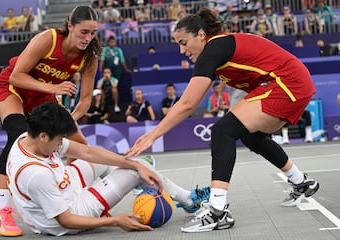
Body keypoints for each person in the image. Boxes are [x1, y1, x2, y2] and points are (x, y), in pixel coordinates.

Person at [125, 8, 320, 233]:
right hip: (292, 82)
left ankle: (218, 212)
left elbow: (187, 104)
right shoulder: (215, 53)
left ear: (200, 35)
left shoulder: (214, 47)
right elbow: (193, 101)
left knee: (222, 131)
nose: (181, 50)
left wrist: (152, 135)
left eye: (183, 42)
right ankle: (301, 181)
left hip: (287, 82)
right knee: (251, 136)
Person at [4, 102, 210, 236]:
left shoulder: (27, 138)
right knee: (137, 171)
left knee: (130, 164)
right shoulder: (35, 174)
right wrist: (115, 221)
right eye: (59, 141)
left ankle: (132, 180)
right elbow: (65, 220)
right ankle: (189, 200)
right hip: (73, 210)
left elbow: (87, 153)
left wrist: (133, 162)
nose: (61, 145)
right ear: (43, 136)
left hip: (62, 185)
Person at [0, 5, 102, 237]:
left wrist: (68, 120)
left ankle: (72, 193)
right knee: (18, 135)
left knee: (78, 140)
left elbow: (86, 99)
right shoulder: (48, 39)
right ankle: (1, 210)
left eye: (93, 33)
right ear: (70, 26)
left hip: (44, 95)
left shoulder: (90, 55)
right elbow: (16, 75)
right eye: (83, 32)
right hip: (13, 88)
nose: (88, 38)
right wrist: (53, 88)